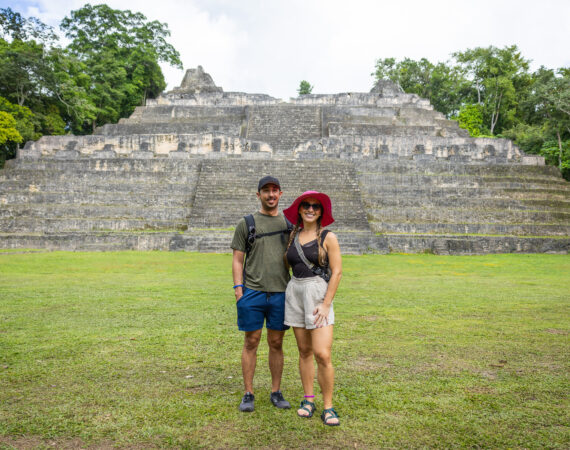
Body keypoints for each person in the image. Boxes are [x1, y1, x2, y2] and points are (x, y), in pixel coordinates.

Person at [231, 175, 292, 412]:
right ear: (259, 195)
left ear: (280, 194)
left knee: (276, 342)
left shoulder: (288, 225)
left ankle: (276, 391)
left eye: (275, 190)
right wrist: (238, 290)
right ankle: (249, 392)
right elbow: (238, 259)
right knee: (251, 341)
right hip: (253, 292)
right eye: (266, 191)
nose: (271, 194)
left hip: (280, 292)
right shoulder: (247, 223)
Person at [283, 191, 342, 426]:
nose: (310, 209)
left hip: (317, 293)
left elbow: (336, 272)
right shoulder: (292, 235)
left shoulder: (328, 237)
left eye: (315, 207)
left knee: (322, 353)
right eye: (306, 205)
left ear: (321, 212)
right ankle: (308, 399)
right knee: (304, 351)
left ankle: (328, 406)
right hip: (295, 291)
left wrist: (326, 303)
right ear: (299, 209)